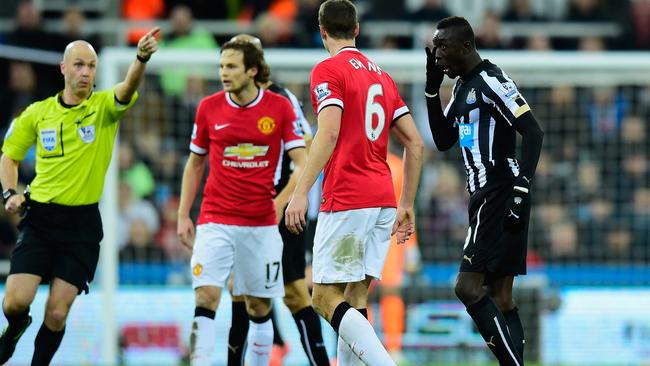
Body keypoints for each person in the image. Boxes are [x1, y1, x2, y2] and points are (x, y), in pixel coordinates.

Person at [0, 27, 160, 365]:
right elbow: (9, 156)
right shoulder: (37, 113)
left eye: (91, 66)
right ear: (63, 68)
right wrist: (8, 193)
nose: (86, 72)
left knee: (57, 312)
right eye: (79, 65)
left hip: (82, 225)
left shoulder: (103, 109)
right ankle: (15, 329)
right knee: (14, 302)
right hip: (41, 219)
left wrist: (141, 58)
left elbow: (127, 87)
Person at [285, 1, 424, 365]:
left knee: (323, 298)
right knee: (354, 296)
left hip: (348, 199)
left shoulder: (328, 70)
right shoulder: (382, 75)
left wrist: (300, 192)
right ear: (357, 29)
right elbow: (415, 142)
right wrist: (406, 203)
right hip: (383, 200)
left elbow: (328, 133)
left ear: (322, 31)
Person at [176, 40, 307, 366]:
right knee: (206, 296)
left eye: (231, 67)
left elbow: (303, 163)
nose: (224, 73)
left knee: (259, 306)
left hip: (260, 225)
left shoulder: (279, 108)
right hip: (215, 218)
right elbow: (195, 164)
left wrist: (281, 202)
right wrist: (182, 214)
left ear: (252, 70)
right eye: (221, 66)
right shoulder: (208, 107)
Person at [425, 16, 544, 365]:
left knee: (466, 287)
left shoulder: (492, 80)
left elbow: (533, 132)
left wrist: (522, 188)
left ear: (465, 45)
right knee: (500, 295)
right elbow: (444, 139)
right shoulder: (462, 87)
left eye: (442, 47)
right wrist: (432, 92)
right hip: (484, 196)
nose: (437, 56)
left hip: (500, 192)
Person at [224, 34, 330, 366]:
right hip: (244, 213)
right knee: (239, 291)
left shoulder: (281, 99)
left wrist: (289, 199)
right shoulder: (227, 103)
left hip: (282, 211)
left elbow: (308, 147)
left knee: (295, 292)